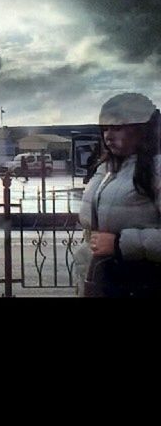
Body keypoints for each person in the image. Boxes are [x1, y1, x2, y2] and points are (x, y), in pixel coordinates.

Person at [75, 92, 161, 297]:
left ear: (141, 130)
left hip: (139, 282)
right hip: (101, 279)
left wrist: (119, 244)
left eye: (117, 128)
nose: (108, 136)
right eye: (105, 129)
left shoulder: (156, 168)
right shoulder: (107, 167)